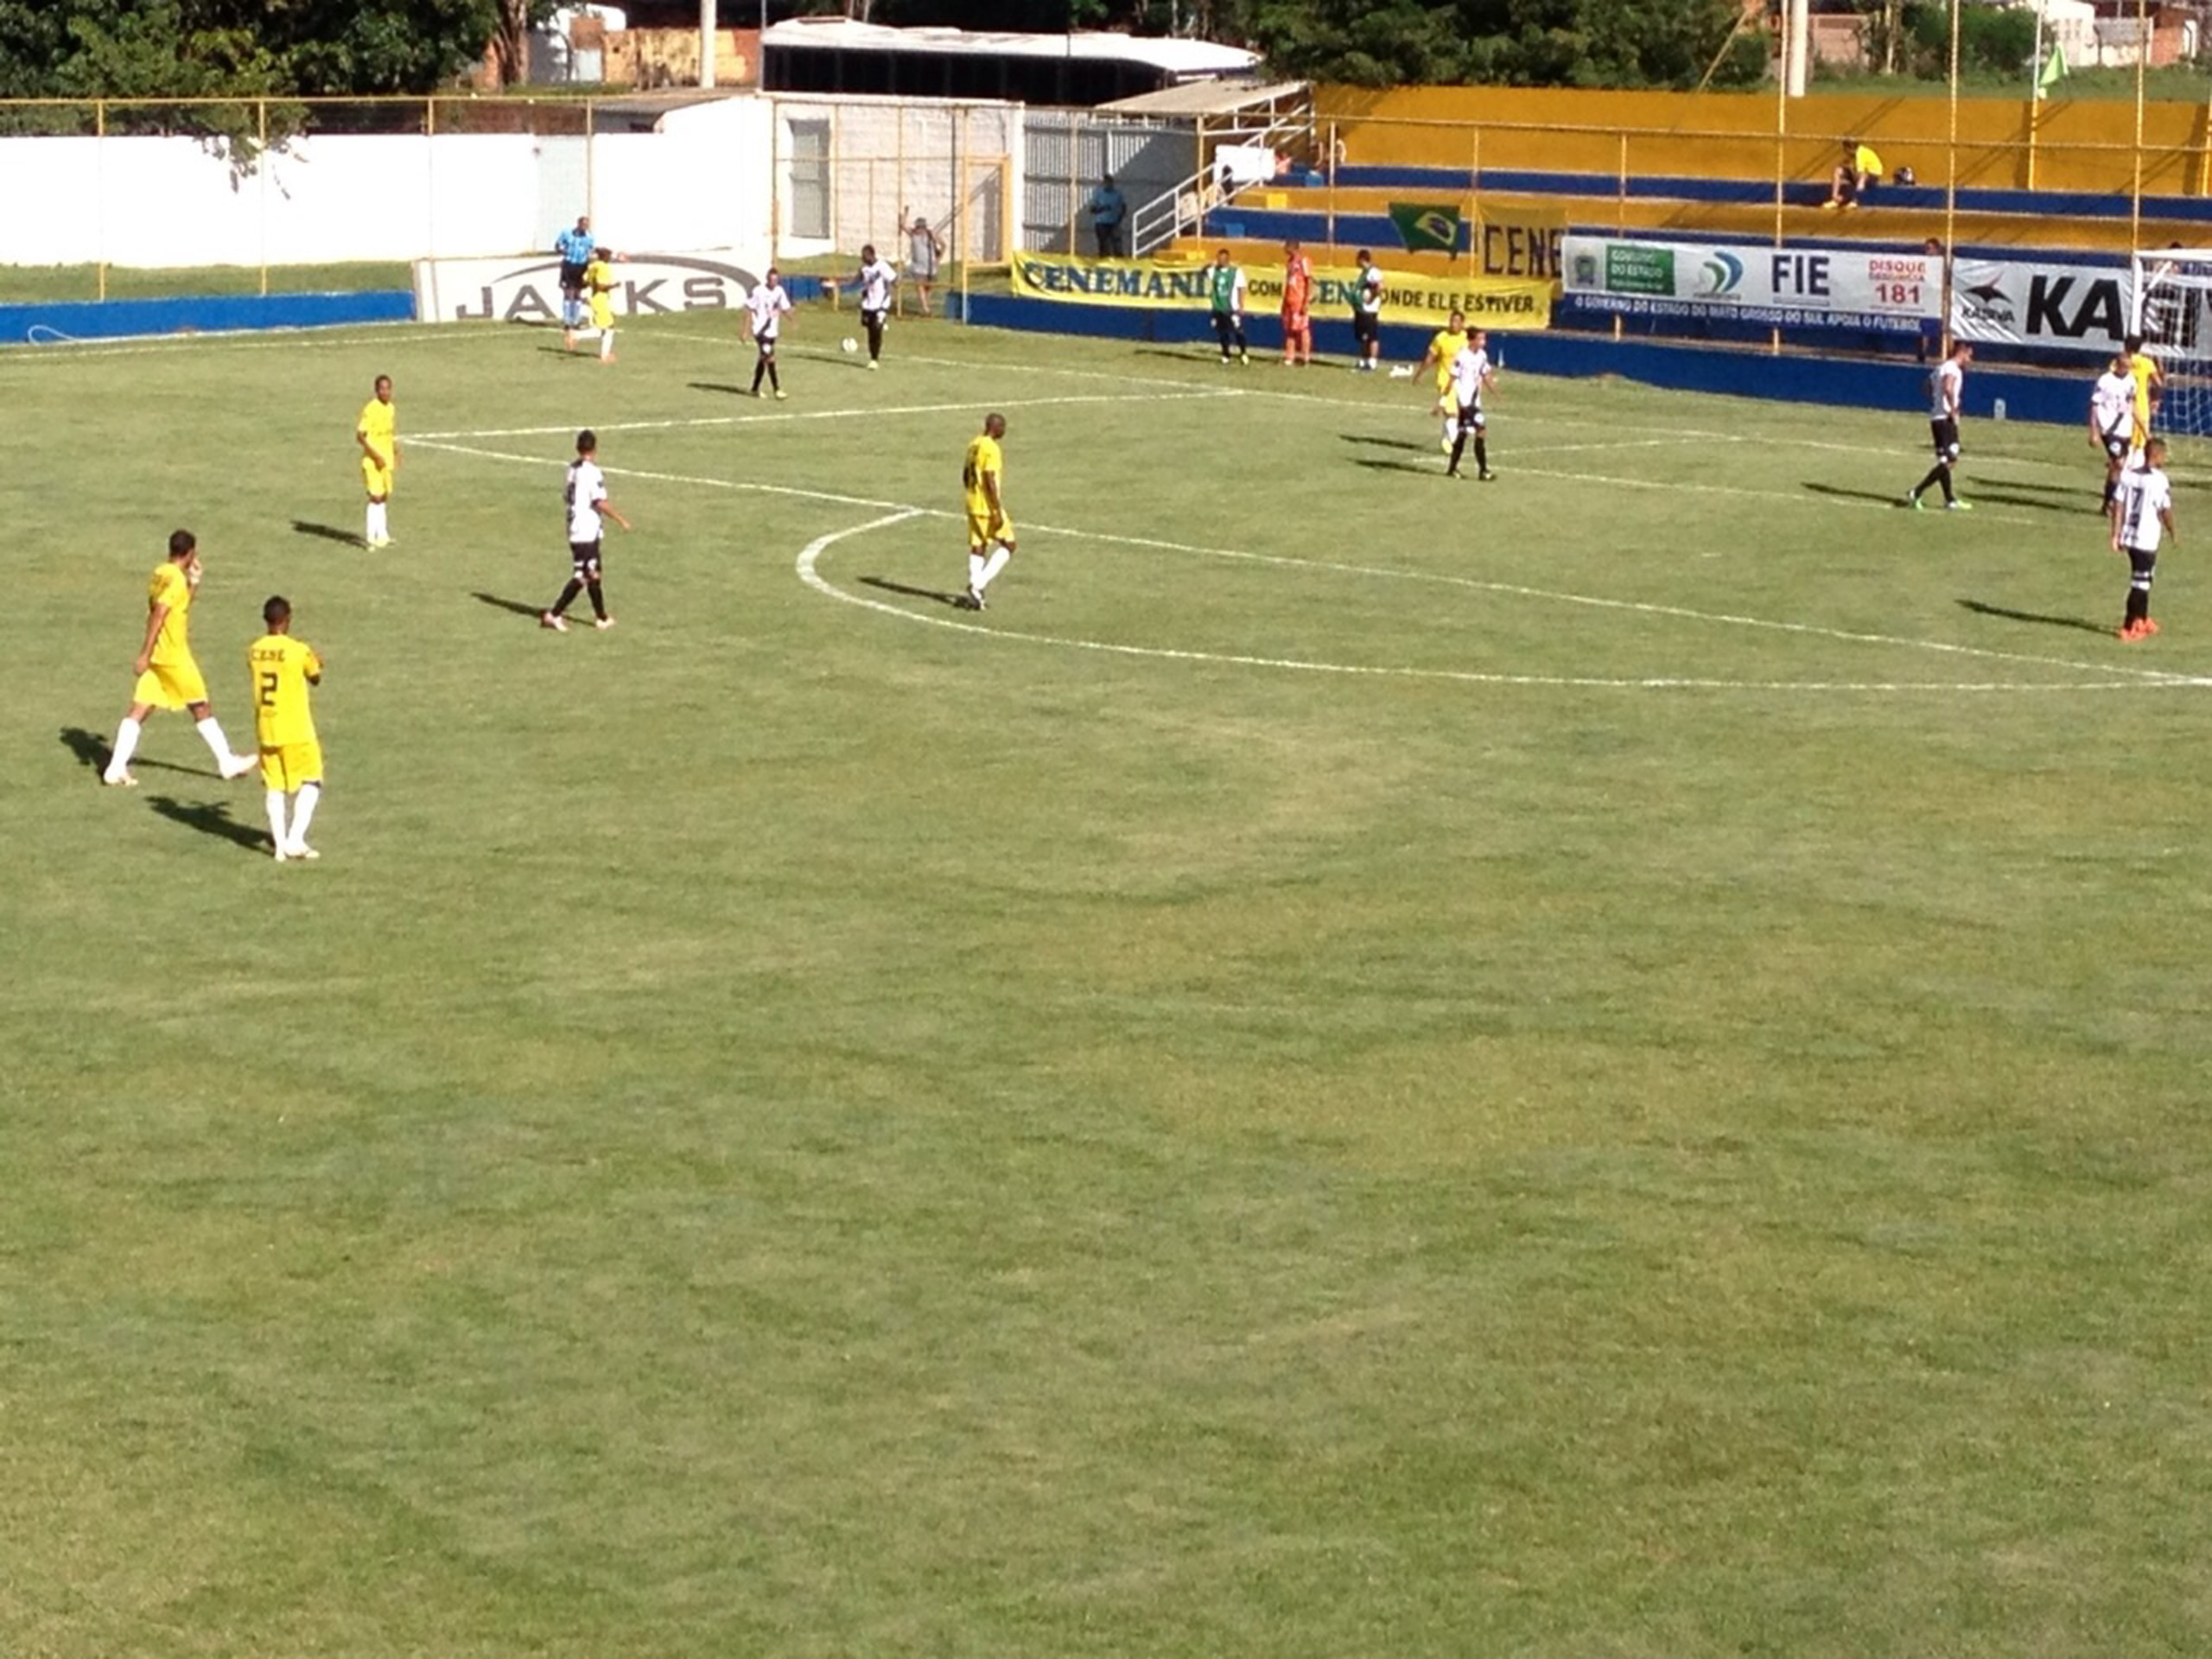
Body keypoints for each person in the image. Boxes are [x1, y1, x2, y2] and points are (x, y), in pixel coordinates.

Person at [101, 529, 258, 787]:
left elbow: (179, 606)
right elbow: (160, 613)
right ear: (190, 552)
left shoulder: (160, 574)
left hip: (159, 658)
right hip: (173, 655)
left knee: (140, 708)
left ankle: (115, 767)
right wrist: (145, 653)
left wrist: (194, 582)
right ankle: (226, 762)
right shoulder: (174, 580)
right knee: (200, 705)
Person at [248, 595, 326, 862]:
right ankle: (295, 839)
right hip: (296, 729)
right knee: (312, 780)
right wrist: (318, 661)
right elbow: (315, 677)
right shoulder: (298, 650)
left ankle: (280, 847)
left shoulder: (254, 649)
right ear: (288, 619)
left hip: (267, 728)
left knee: (275, 787)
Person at [541, 429, 632, 633]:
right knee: (582, 575)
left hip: (577, 527)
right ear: (595, 449)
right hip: (585, 531)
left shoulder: (571, 469)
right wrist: (621, 520)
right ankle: (554, 614)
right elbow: (599, 501)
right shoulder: (592, 472)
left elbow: (566, 497)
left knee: (595, 574)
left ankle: (601, 617)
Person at [2111, 436, 2177, 641]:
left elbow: (2118, 504)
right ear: (2156, 455)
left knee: (2146, 578)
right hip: (2145, 538)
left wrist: (2116, 533)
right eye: (2163, 455)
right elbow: (2165, 509)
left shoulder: (2128, 476)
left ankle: (2143, 618)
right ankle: (2129, 625)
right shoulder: (2159, 480)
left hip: (2130, 536)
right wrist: (2173, 530)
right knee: (2140, 583)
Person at [1905, 340, 1974, 511]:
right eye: (1969, 356)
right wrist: (1952, 408)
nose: (1970, 360)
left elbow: (1926, 386)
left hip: (1937, 417)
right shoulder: (1952, 368)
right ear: (1962, 353)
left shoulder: (1939, 368)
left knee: (1944, 460)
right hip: (1945, 419)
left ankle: (1949, 500)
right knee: (1951, 459)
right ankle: (1916, 492)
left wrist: (1935, 403)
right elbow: (1948, 387)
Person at [960, 412, 1014, 612]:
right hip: (986, 506)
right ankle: (978, 585)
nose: (1004, 431)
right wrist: (996, 508)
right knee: (1009, 545)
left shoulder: (974, 444)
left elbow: (965, 474)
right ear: (995, 427)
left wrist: (971, 492)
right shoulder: (991, 448)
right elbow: (990, 478)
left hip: (972, 502)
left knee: (978, 545)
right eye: (1003, 428)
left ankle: (976, 594)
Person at [1445, 327, 1498, 481]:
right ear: (1472, 340)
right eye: (1481, 339)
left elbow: (1485, 373)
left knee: (1463, 434)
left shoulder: (1482, 355)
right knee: (1481, 431)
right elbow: (1453, 376)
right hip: (1466, 402)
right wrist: (1445, 397)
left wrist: (1494, 390)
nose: (1484, 342)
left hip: (1475, 401)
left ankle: (1452, 468)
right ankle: (1484, 471)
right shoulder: (1462, 356)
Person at [2091, 352, 2139, 510]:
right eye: (2124, 367)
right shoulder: (2105, 381)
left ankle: (2107, 502)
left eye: (2129, 367)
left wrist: (2142, 428)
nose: (2127, 370)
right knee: (2118, 463)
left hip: (2125, 429)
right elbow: (2094, 405)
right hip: (2108, 429)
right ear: (2117, 365)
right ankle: (2111, 503)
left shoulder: (2132, 381)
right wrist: (2094, 431)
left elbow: (2131, 404)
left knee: (2117, 467)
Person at [838, 243, 898, 369]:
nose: (863, 258)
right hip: (868, 304)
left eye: (865, 255)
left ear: (872, 255)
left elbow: (894, 280)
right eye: (862, 256)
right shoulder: (864, 269)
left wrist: (893, 286)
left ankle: (874, 359)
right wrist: (840, 286)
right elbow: (856, 280)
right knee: (866, 324)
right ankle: (880, 323)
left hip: (881, 304)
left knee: (874, 332)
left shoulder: (882, 266)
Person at [1419, 308, 1471, 452]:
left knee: (1457, 413)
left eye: (1456, 321)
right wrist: (1420, 373)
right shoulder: (1441, 337)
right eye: (1451, 321)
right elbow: (1430, 357)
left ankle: (1445, 440)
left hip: (1461, 381)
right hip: (1445, 378)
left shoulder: (1466, 339)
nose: (1453, 324)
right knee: (1451, 412)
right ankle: (1453, 445)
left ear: (1462, 324)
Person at [356, 373, 397, 548]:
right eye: (382, 389)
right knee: (375, 497)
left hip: (386, 460)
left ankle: (383, 534)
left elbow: (390, 433)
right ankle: (370, 537)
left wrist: (396, 451)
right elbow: (360, 437)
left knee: (385, 496)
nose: (385, 392)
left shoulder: (391, 408)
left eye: (388, 389)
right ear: (376, 391)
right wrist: (375, 456)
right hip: (373, 461)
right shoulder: (370, 409)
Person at [747, 266, 793, 399]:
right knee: (770, 358)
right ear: (767, 279)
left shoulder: (779, 291)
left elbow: (785, 307)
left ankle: (754, 388)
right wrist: (745, 331)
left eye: (776, 280)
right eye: (771, 280)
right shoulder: (758, 291)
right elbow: (749, 308)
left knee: (763, 359)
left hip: (772, 332)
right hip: (760, 331)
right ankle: (777, 389)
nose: (774, 283)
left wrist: (791, 319)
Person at [566, 245, 618, 362]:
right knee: (609, 328)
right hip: (601, 300)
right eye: (608, 256)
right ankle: (576, 336)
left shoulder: (592, 266)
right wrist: (614, 285)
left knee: (603, 328)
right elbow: (600, 285)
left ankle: (604, 354)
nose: (610, 258)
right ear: (604, 256)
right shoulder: (603, 267)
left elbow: (584, 280)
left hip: (594, 298)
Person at [1206, 247, 1249, 365]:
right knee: (1222, 332)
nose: (1219, 260)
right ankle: (1225, 354)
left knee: (1238, 331)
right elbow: (1203, 271)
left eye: (1222, 258)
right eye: (1218, 258)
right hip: (1218, 306)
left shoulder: (1236, 272)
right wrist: (1209, 264)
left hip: (1232, 307)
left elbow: (1242, 288)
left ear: (1227, 259)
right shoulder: (1213, 271)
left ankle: (1243, 353)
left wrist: (1241, 305)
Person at [554, 213, 594, 334]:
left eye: (587, 225)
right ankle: (567, 321)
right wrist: (562, 250)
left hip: (581, 266)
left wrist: (589, 261)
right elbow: (557, 245)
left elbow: (591, 250)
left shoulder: (589, 237)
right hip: (569, 264)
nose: (585, 228)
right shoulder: (567, 233)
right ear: (578, 224)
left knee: (578, 292)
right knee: (567, 292)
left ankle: (576, 320)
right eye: (583, 225)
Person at [2124, 332, 2164, 443]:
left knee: (2123, 442)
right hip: (2141, 406)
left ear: (2126, 346)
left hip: (2122, 406)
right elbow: (2159, 384)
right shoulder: (2147, 363)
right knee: (2140, 444)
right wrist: (2156, 400)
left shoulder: (2119, 363)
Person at [1824, 137, 1885, 210]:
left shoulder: (1860, 155)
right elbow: (1844, 165)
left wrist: (1850, 169)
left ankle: (1855, 200)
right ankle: (1834, 198)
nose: (1844, 152)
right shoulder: (1852, 155)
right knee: (1838, 170)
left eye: (1845, 149)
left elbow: (1860, 173)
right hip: (1859, 175)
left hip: (1873, 175)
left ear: (1850, 149)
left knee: (1862, 177)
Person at [904, 209, 944, 316]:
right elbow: (903, 226)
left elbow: (943, 245)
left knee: (928, 288)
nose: (919, 230)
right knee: (920, 286)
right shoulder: (913, 235)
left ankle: (926, 306)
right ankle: (925, 308)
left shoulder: (931, 236)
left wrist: (939, 259)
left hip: (931, 267)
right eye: (918, 227)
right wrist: (905, 213)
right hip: (918, 267)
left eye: (921, 227)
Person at [1281, 239, 1314, 366]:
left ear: (1292, 247)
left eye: (1286, 247)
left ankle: (1306, 357)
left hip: (1299, 300)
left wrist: (1306, 301)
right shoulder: (1290, 262)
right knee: (1290, 329)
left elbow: (1309, 281)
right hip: (1290, 300)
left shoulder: (1303, 261)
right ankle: (1290, 356)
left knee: (1303, 329)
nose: (1284, 249)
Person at [1351, 251, 1384, 372]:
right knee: (1363, 336)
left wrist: (1372, 297)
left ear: (1361, 259)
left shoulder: (1373, 272)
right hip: (1362, 309)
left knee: (1372, 336)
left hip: (1370, 310)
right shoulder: (1364, 273)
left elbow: (1380, 287)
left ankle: (1372, 361)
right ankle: (1363, 360)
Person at [1088, 175, 1128, 258]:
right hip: (1101, 223)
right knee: (1103, 244)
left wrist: (1119, 218)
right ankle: (1103, 260)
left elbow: (1123, 207)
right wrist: (1101, 209)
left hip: (1113, 223)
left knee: (1116, 243)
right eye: (1106, 183)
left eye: (1109, 183)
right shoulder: (1099, 194)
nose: (1107, 184)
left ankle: (1118, 261)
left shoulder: (1117, 194)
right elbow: (1092, 209)